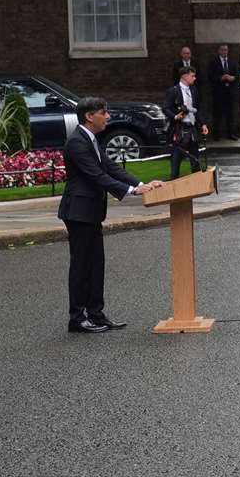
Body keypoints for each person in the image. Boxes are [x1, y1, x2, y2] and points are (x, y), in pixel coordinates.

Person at [59, 97, 162, 333]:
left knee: (96, 264)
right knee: (81, 265)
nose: (107, 116)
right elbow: (96, 175)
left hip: (91, 211)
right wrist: (132, 190)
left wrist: (143, 183)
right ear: (89, 116)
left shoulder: (90, 139)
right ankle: (77, 318)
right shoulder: (77, 142)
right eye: (103, 112)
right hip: (78, 211)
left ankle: (96, 314)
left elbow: (111, 167)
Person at [164, 66, 207, 180]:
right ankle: (174, 185)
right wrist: (175, 116)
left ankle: (196, 184)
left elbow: (197, 108)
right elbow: (166, 108)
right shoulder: (173, 91)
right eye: (192, 76)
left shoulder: (194, 90)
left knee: (195, 159)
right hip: (179, 129)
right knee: (176, 161)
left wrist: (203, 124)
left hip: (191, 128)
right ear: (184, 76)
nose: (195, 78)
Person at [204, 43, 239, 139]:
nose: (224, 52)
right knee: (217, 114)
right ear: (219, 51)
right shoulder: (213, 62)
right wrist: (221, 78)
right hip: (218, 92)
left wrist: (233, 78)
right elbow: (210, 76)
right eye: (223, 50)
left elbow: (237, 75)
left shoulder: (232, 62)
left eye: (226, 50)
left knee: (230, 114)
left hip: (230, 92)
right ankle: (216, 135)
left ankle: (231, 134)